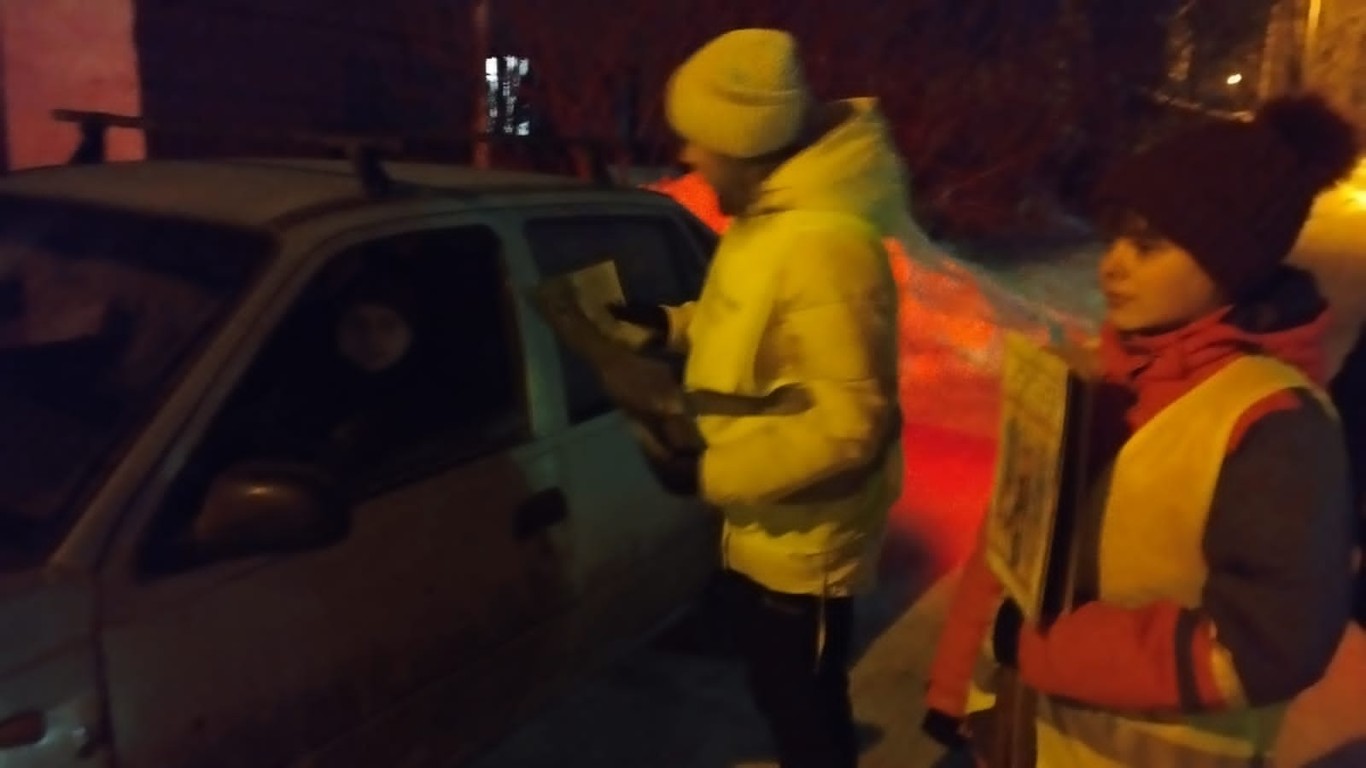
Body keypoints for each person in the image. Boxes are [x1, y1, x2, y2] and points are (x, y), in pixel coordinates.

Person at [923, 94, 1360, 767]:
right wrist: (955, 689)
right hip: (1020, 734)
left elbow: (1269, 644)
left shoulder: (1274, 426)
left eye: (1148, 247)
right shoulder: (1101, 375)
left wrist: (1039, 648)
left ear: (1231, 263)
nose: (1112, 265)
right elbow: (1010, 546)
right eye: (1114, 239)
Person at [609, 28, 910, 768]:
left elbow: (850, 425)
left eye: (699, 139)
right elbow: (748, 322)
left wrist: (708, 473)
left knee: (805, 714)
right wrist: (666, 325)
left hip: (807, 546)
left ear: (743, 143)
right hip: (767, 524)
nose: (686, 155)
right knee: (781, 696)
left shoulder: (825, 246)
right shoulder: (769, 222)